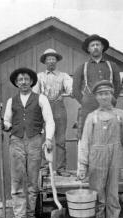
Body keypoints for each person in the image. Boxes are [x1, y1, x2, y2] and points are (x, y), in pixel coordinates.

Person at [78, 80, 123, 218]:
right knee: (98, 195)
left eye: (107, 93)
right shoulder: (91, 117)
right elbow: (85, 142)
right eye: (100, 94)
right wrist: (83, 166)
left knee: (113, 196)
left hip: (115, 156)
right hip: (96, 158)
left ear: (112, 95)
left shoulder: (120, 115)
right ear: (96, 97)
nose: (104, 97)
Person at [1, 67, 55, 218]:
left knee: (33, 178)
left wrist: (49, 138)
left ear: (31, 81)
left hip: (35, 140)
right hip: (16, 141)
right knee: (17, 179)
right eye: (20, 80)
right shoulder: (12, 101)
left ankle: (31, 213)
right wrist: (0, 121)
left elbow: (50, 121)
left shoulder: (41, 99)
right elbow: (8, 123)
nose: (23, 82)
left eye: (26, 79)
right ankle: (20, 215)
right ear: (16, 83)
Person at [33, 48, 73, 177]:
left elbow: (71, 90)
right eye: (48, 59)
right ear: (44, 61)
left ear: (56, 61)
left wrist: (65, 94)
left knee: (61, 140)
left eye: (53, 59)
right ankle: (45, 167)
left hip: (59, 108)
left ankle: (61, 168)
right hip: (44, 108)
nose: (51, 61)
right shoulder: (39, 76)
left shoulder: (64, 76)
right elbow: (34, 93)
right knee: (45, 138)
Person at [72, 34, 121, 139]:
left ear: (102, 48)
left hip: (108, 106)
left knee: (108, 136)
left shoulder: (112, 66)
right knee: (88, 136)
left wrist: (112, 99)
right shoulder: (82, 67)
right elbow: (75, 90)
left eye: (98, 45)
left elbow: (118, 85)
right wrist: (86, 102)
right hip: (88, 108)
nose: (95, 47)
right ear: (88, 49)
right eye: (92, 45)